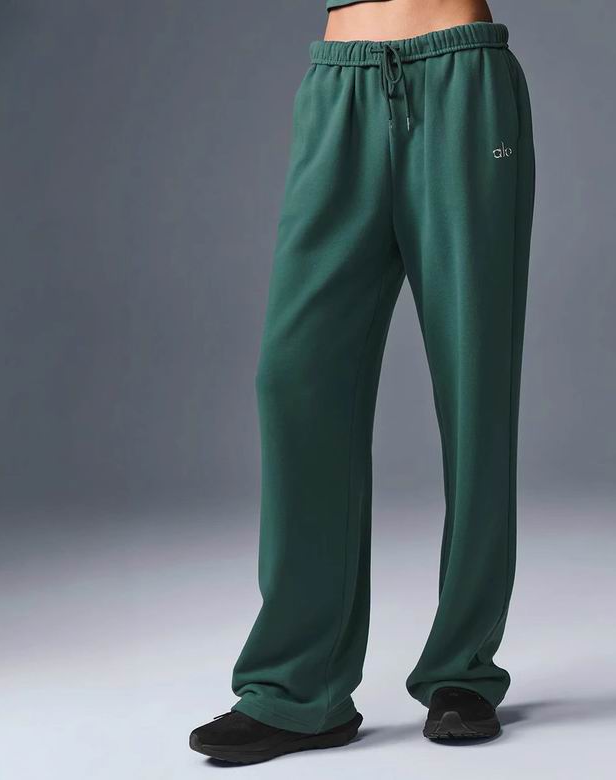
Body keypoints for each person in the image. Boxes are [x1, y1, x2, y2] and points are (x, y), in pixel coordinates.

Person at [190, 0, 535, 764]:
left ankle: (462, 668)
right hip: (337, 86)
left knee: (474, 383)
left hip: (460, 76)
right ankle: (297, 687)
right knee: (294, 379)